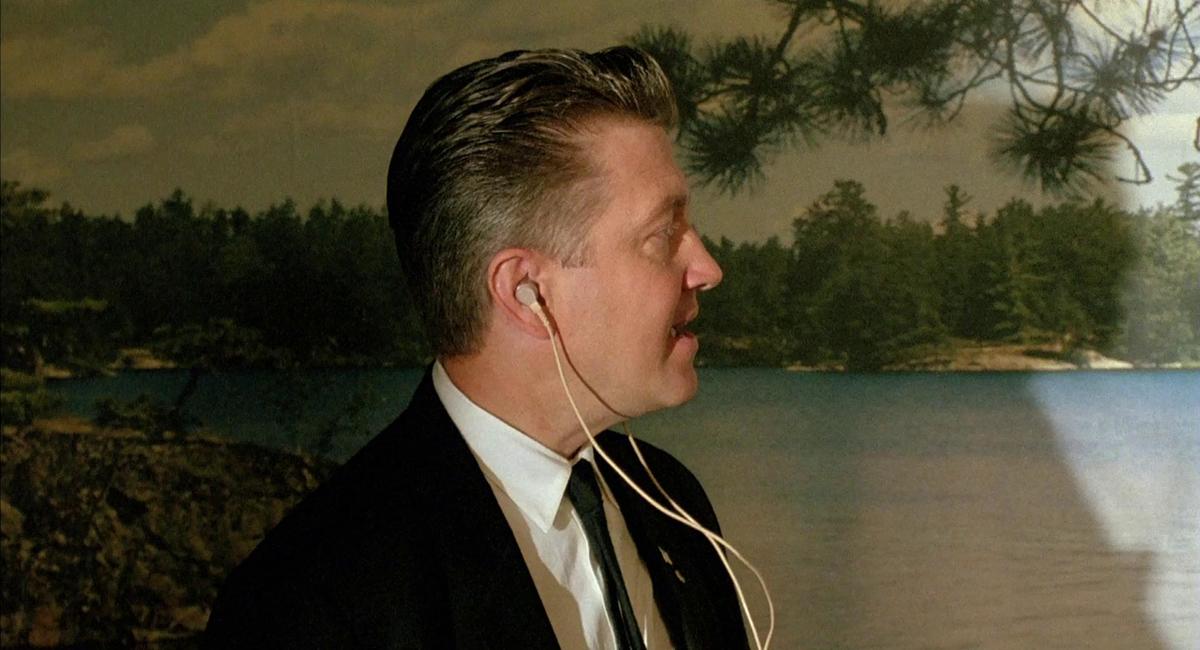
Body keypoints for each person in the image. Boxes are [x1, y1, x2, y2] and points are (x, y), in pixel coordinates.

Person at [203, 46, 749, 650]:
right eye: (663, 234)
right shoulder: (311, 603)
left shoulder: (672, 502)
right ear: (526, 293)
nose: (707, 268)